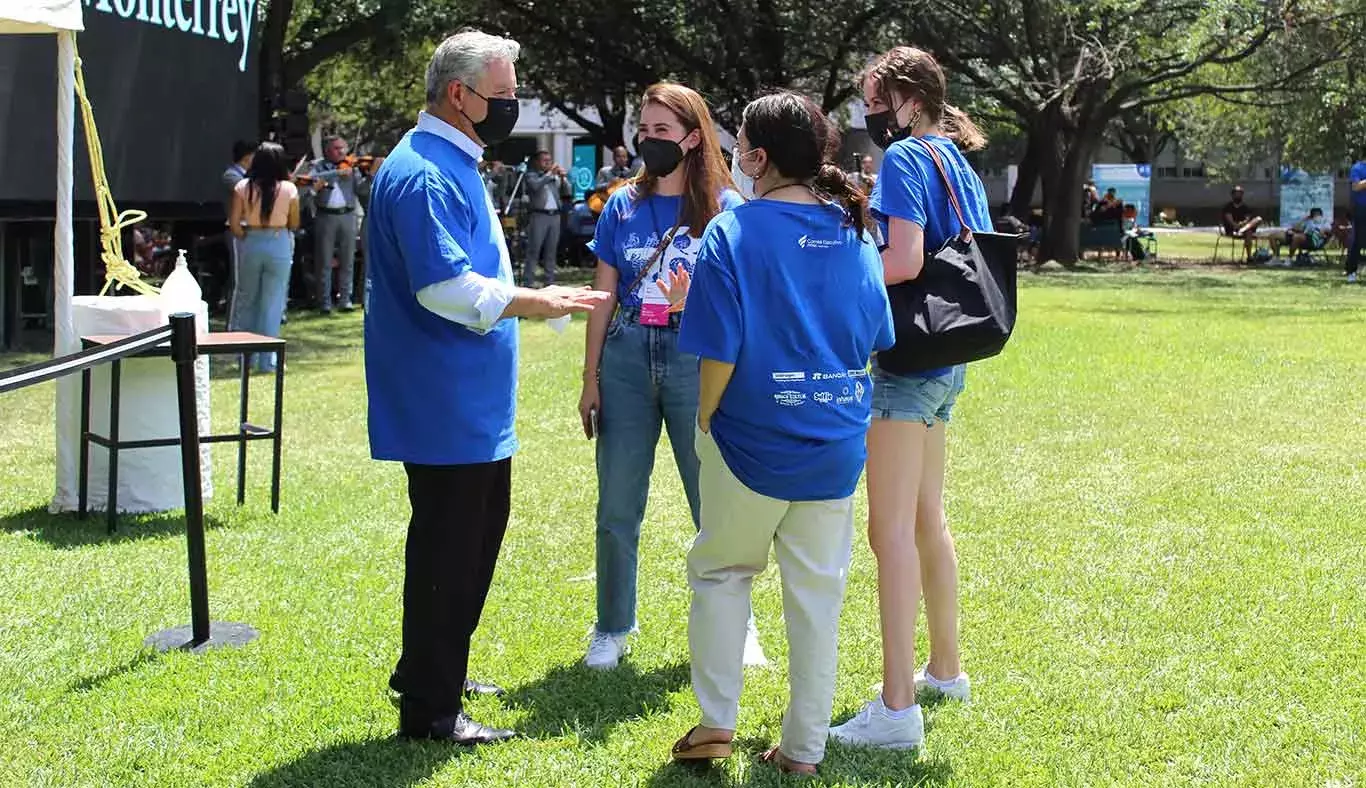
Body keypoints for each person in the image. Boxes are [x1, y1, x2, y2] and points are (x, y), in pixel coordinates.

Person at [364, 29, 609, 745]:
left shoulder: (452, 160)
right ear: (458, 95)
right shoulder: (424, 172)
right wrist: (544, 301)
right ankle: (432, 713)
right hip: (444, 396)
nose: (513, 107)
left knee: (472, 537)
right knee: (451, 544)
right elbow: (445, 288)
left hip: (467, 396)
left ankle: (433, 669)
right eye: (503, 95)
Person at [664, 92, 894, 776]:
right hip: (834, 444)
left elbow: (719, 352)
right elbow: (873, 336)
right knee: (817, 598)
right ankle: (804, 749)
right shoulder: (855, 233)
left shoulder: (734, 234)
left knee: (721, 571)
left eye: (740, 147)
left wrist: (706, 417)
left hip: (747, 440)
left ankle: (716, 724)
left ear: (757, 158)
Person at [828, 45, 992, 751]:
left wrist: (843, 270)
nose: (868, 111)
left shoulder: (902, 160)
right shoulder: (954, 156)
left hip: (908, 359)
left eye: (874, 97)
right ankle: (944, 670)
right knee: (927, 516)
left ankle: (896, 709)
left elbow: (904, 259)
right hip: (951, 355)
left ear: (909, 98)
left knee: (887, 529)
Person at [577, 81, 764, 671]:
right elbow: (602, 297)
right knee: (616, 505)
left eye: (662, 130)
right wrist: (591, 377)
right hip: (628, 354)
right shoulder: (621, 206)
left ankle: (739, 625)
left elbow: (744, 298)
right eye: (644, 128)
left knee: (712, 503)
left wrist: (697, 301)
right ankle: (611, 627)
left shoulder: (725, 210)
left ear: (691, 137)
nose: (649, 139)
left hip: (695, 356)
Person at [228, 142, 300, 372]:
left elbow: (235, 223)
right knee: (273, 301)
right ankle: (267, 360)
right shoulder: (289, 189)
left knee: (246, 298)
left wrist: (246, 237)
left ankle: (242, 356)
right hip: (278, 240)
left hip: (252, 239)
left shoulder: (242, 187)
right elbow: (294, 223)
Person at [308, 135, 368, 313]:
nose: (342, 152)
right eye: (337, 148)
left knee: (347, 259)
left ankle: (345, 299)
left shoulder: (351, 167)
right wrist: (336, 174)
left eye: (343, 148)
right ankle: (324, 301)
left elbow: (361, 190)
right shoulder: (318, 165)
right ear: (327, 150)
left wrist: (369, 175)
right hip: (326, 216)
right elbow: (311, 179)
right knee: (324, 260)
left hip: (347, 215)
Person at [522, 150, 568, 286]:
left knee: (551, 251)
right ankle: (528, 282)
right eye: (544, 160)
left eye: (549, 160)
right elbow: (535, 186)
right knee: (534, 250)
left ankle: (549, 282)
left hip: (555, 216)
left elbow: (567, 191)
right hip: (539, 215)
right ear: (537, 162)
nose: (548, 163)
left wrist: (563, 178)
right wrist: (549, 175)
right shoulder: (531, 175)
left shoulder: (553, 177)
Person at [222, 140, 254, 324]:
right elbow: (248, 192)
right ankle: (232, 324)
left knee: (248, 280)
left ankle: (245, 321)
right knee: (238, 280)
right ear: (248, 157)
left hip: (251, 229)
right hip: (236, 229)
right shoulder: (231, 175)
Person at [1221, 186, 1263, 263]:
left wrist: (1243, 223)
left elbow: (1248, 218)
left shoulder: (1245, 207)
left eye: (1240, 194)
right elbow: (1229, 220)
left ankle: (1249, 257)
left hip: (1244, 228)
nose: (1238, 195)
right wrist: (1236, 225)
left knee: (1258, 219)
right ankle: (1249, 257)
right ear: (1233, 195)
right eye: (1237, 194)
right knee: (1248, 232)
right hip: (1232, 229)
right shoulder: (1228, 207)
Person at [1348, 154, 1366, 283]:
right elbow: (1356, 186)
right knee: (1358, 240)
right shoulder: (1358, 168)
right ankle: (1351, 271)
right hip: (1362, 208)